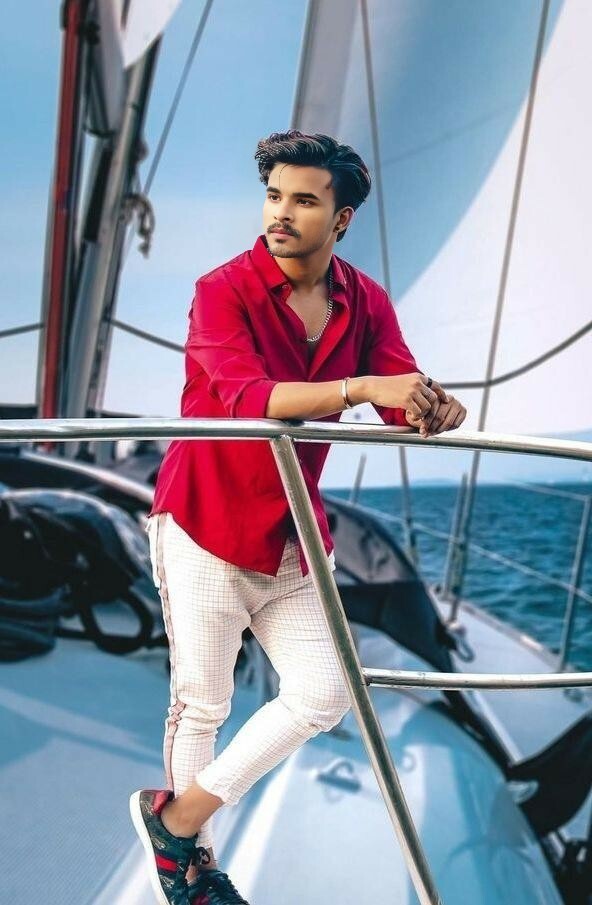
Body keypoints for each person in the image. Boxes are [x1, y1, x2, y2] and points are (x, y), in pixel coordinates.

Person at [129, 129, 467, 905]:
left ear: (341, 219)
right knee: (202, 702)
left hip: (291, 533)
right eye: (274, 195)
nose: (280, 213)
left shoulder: (365, 301)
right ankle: (193, 873)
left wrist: (430, 406)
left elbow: (397, 401)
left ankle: (175, 820)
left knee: (324, 690)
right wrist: (360, 388)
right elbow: (250, 400)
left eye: (304, 200)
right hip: (204, 523)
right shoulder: (222, 289)